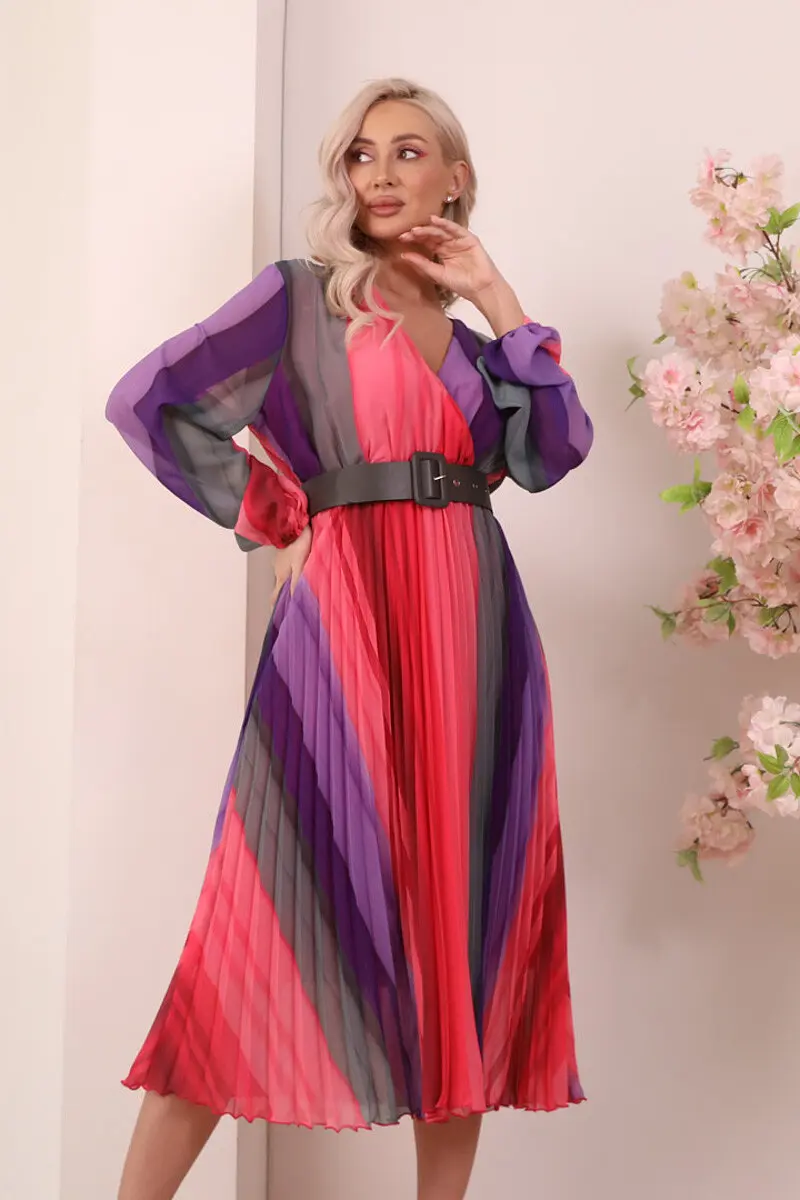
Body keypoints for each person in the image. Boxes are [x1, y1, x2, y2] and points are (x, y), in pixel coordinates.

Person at [106, 76, 593, 1200]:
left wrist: (499, 298)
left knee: (462, 928)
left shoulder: (477, 348)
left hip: (473, 633)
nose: (378, 172)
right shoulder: (298, 300)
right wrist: (271, 512)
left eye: (408, 151)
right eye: (361, 154)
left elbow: (553, 451)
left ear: (455, 178)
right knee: (257, 919)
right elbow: (151, 402)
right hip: (345, 623)